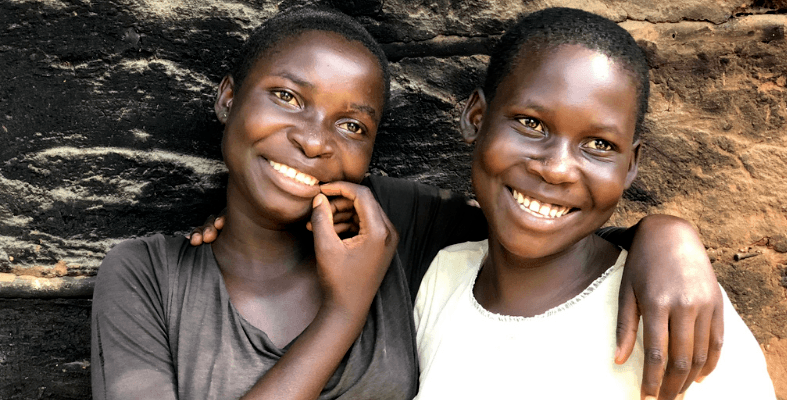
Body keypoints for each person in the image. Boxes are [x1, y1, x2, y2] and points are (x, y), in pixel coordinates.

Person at [93, 7, 722, 400]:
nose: (313, 139)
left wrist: (667, 236)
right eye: (286, 97)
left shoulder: (400, 227)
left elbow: (541, 227)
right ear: (229, 98)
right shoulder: (146, 278)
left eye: (353, 125)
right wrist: (343, 314)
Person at [412, 8, 775, 399]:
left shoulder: (675, 310)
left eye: (599, 145)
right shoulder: (442, 279)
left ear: (630, 164)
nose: (556, 169)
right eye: (531, 124)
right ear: (476, 117)